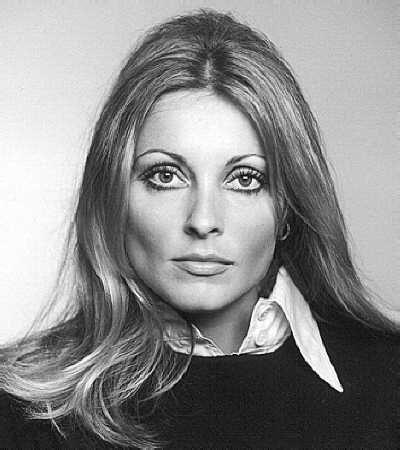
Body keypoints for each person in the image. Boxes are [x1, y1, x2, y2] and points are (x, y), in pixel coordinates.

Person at [0, 9, 398, 450]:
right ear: (113, 199)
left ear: (289, 208)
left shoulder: (390, 383)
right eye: (166, 175)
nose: (203, 221)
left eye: (245, 179)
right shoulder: (16, 407)